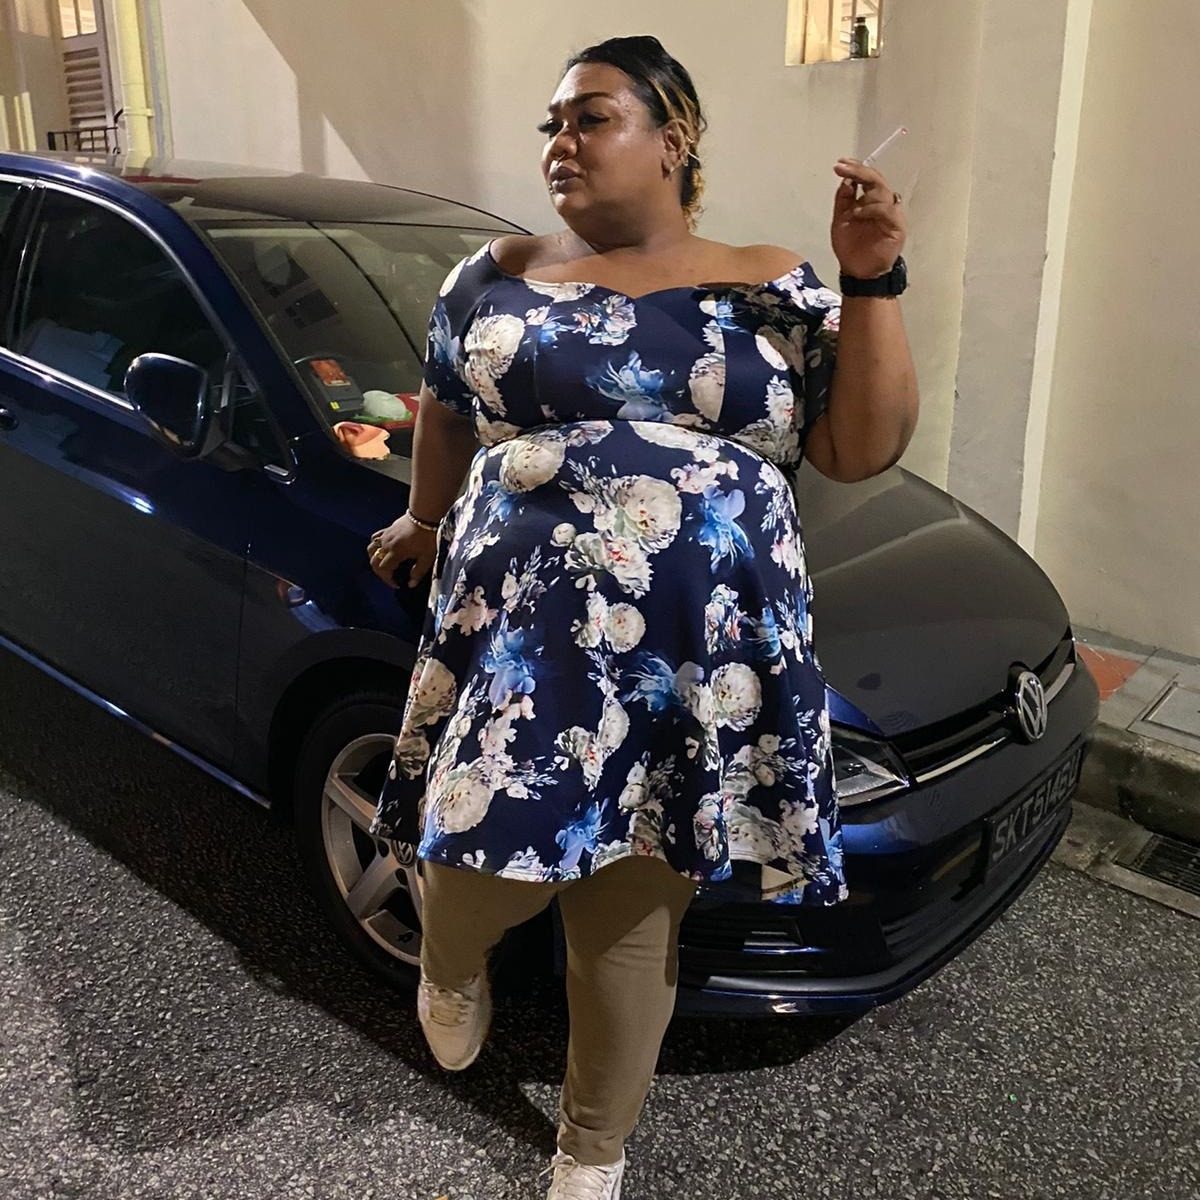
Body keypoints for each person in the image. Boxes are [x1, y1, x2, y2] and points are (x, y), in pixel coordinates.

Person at [367, 34, 917, 1200]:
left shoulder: (769, 280)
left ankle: (592, 1149)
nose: (561, 143)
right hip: (526, 644)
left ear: (675, 138)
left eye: (591, 118)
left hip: (693, 659)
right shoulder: (494, 276)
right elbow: (444, 405)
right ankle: (451, 965)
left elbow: (860, 445)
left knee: (629, 917)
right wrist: (421, 518)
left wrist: (870, 278)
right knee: (471, 860)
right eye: (553, 125)